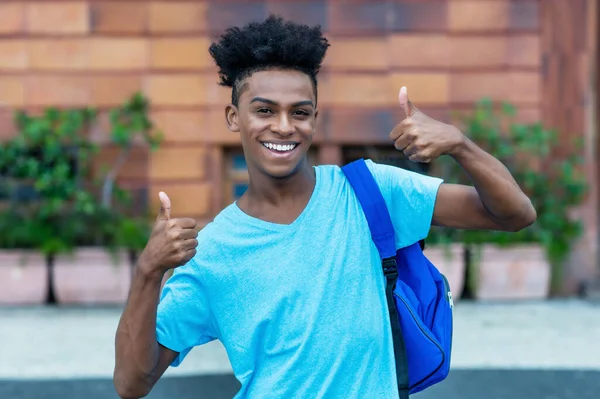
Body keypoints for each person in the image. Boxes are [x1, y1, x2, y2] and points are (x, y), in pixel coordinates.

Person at [113, 15, 536, 399]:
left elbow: (514, 214)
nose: (283, 126)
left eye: (300, 112)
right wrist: (149, 271)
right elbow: (133, 382)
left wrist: (459, 145)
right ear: (233, 118)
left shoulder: (370, 190)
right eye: (264, 110)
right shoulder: (213, 253)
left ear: (314, 119)